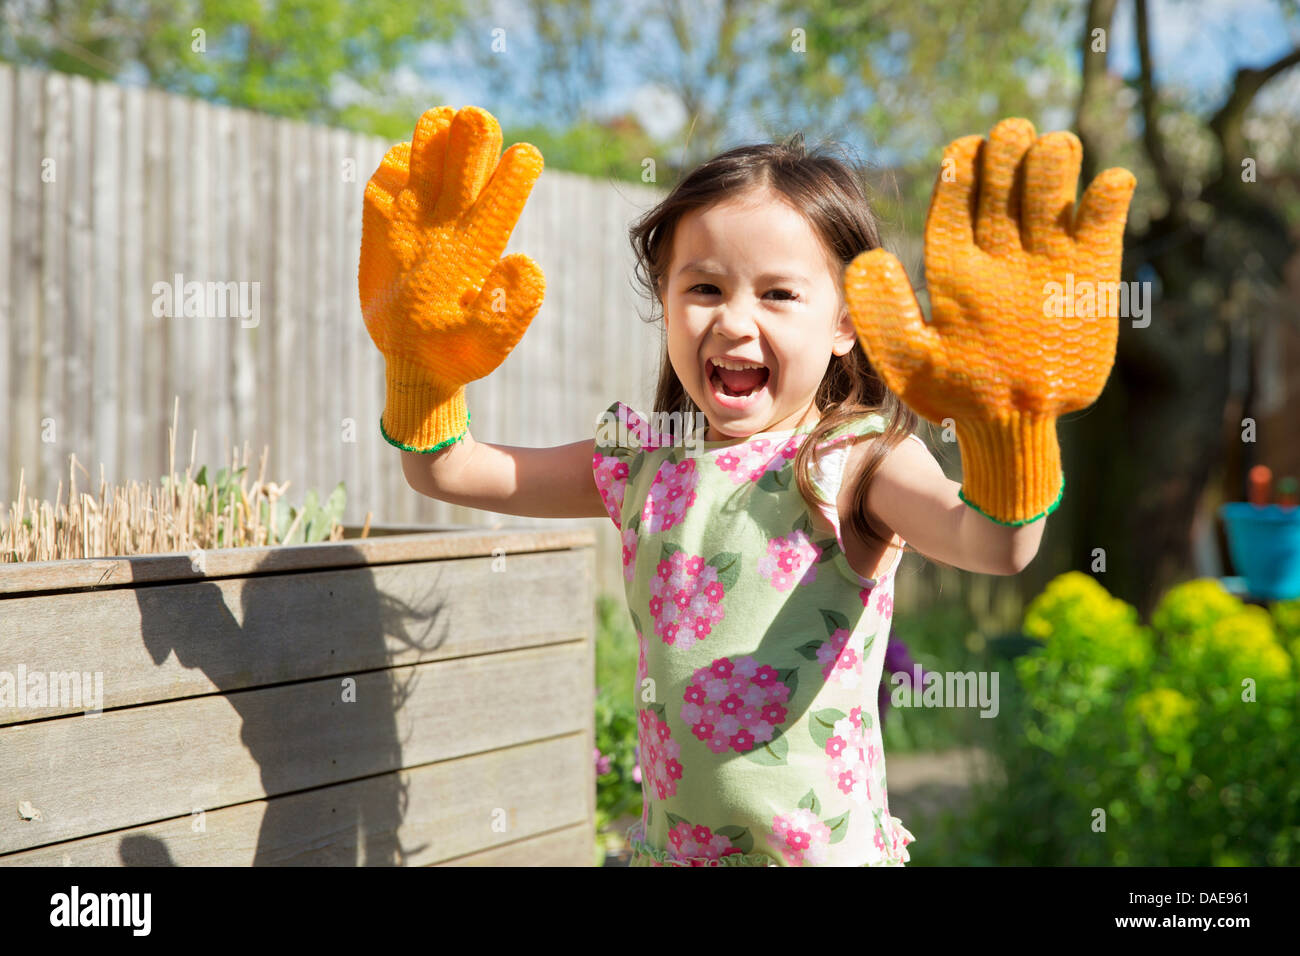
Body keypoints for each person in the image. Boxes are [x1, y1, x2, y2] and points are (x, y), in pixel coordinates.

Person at [359, 105, 1135, 866]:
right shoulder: (642, 459)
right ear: (663, 302)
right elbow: (449, 468)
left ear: (845, 324)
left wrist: (1011, 429)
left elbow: (995, 547)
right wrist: (420, 372)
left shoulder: (856, 458)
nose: (734, 321)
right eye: (703, 289)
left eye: (778, 293)